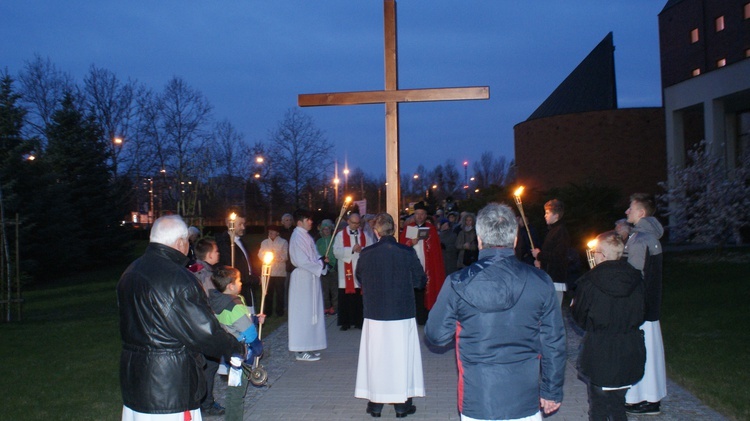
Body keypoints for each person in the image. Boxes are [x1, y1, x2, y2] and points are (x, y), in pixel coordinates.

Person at [425, 203, 566, 421]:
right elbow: (554, 341)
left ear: (479, 239)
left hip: (479, 396)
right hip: (523, 396)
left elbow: (436, 335)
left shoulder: (458, 281)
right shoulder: (540, 281)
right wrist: (551, 389)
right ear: (515, 239)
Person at [117, 215, 244, 421]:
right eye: (188, 242)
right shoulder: (178, 279)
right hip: (170, 386)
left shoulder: (130, 272)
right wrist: (234, 347)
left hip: (136, 380)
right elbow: (204, 332)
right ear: (180, 243)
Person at [355, 213, 426, 418]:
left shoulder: (367, 253)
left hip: (375, 312)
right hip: (401, 311)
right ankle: (401, 404)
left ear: (376, 231)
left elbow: (360, 278)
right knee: (401, 357)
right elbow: (419, 280)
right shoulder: (406, 251)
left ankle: (375, 403)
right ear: (393, 229)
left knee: (377, 357)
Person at [571, 231, 646, 421]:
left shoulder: (589, 282)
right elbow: (645, 311)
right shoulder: (636, 279)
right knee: (618, 405)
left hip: (601, 351)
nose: (593, 255)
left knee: (598, 408)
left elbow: (579, 317)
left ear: (602, 255)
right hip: (629, 350)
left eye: (595, 251)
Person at [623, 193, 667, 415]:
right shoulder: (649, 238)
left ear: (641, 213)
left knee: (643, 352)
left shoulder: (640, 240)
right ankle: (647, 396)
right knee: (649, 349)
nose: (626, 211)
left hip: (641, 306)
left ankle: (648, 399)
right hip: (650, 305)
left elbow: (633, 276)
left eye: (630, 208)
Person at [208, 266, 265, 421]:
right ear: (231, 286)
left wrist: (253, 318)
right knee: (237, 393)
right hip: (240, 355)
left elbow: (234, 323)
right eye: (239, 280)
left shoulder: (220, 302)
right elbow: (249, 333)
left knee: (234, 390)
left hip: (229, 352)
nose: (241, 283)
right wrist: (257, 347)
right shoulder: (234, 306)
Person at [187, 237, 224, 416]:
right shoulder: (207, 275)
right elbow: (213, 303)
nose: (218, 254)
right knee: (209, 366)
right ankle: (207, 403)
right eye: (216, 251)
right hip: (205, 328)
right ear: (209, 255)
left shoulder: (191, 270)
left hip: (191, 327)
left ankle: (200, 401)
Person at [288, 208, 328, 361]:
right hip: (302, 279)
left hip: (311, 277)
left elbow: (314, 254)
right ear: (300, 222)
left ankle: (309, 345)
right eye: (308, 219)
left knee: (312, 311)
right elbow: (301, 260)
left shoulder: (306, 236)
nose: (311, 222)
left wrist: (322, 261)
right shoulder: (297, 236)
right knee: (302, 313)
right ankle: (300, 349)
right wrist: (319, 264)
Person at [398, 201, 445, 325]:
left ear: (425, 215)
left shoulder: (431, 229)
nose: (419, 216)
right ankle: (414, 317)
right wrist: (410, 243)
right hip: (413, 266)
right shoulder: (409, 228)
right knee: (415, 292)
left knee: (427, 291)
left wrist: (427, 244)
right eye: (417, 214)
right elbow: (402, 246)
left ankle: (426, 317)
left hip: (427, 265)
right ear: (414, 215)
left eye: (422, 214)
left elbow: (436, 250)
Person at [333, 212, 373, 331]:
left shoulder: (365, 235)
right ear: (348, 222)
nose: (356, 225)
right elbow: (336, 252)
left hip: (360, 269)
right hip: (346, 271)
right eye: (354, 223)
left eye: (358, 223)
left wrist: (362, 249)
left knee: (358, 298)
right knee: (345, 298)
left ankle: (358, 321)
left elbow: (371, 250)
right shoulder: (340, 235)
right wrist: (351, 249)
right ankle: (345, 322)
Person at [532, 199, 571, 306]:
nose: (545, 215)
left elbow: (558, 257)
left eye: (547, 213)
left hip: (555, 279)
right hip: (549, 277)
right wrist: (540, 262)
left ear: (556, 215)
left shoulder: (561, 232)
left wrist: (539, 255)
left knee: (554, 311)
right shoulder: (552, 230)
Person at [216, 213, 256, 312]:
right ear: (230, 224)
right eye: (240, 224)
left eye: (244, 223)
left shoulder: (240, 241)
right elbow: (231, 269)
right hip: (238, 290)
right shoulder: (224, 244)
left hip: (247, 288)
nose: (243, 227)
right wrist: (254, 280)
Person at [257, 225, 288, 317]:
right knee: (267, 292)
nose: (270, 233)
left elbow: (285, 256)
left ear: (277, 233)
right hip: (267, 272)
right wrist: (266, 257)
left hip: (279, 273)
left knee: (280, 293)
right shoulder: (264, 242)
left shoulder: (283, 242)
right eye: (269, 231)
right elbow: (260, 254)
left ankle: (280, 311)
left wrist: (275, 256)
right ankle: (268, 311)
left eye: (273, 231)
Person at [316, 219, 338, 315]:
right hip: (323, 269)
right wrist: (322, 261)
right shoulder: (319, 242)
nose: (327, 231)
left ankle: (335, 307)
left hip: (333, 268)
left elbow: (336, 252)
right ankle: (326, 306)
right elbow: (316, 254)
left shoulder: (334, 240)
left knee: (334, 289)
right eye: (324, 229)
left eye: (328, 229)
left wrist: (332, 261)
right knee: (324, 289)